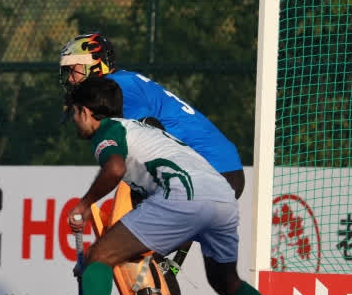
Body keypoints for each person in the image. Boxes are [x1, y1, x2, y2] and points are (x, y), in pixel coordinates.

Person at [56, 76, 317, 295]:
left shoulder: (109, 131)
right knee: (227, 281)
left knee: (99, 256)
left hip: (184, 195)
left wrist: (85, 204)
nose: (75, 123)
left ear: (87, 112)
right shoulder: (146, 131)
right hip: (222, 195)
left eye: (74, 114)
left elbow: (114, 168)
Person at [59, 33, 244, 198]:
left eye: (73, 69)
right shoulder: (122, 82)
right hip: (218, 166)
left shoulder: (117, 86)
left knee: (139, 231)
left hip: (210, 169)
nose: (69, 78)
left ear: (94, 64)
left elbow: (152, 127)